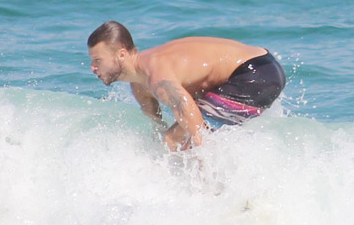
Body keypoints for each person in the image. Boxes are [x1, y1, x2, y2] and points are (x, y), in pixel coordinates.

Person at [87, 21, 286, 151]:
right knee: (171, 139)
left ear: (122, 55)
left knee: (177, 140)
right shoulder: (139, 85)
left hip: (255, 74)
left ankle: (218, 195)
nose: (93, 67)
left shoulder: (157, 78)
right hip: (258, 67)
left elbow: (197, 130)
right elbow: (158, 127)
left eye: (98, 60)